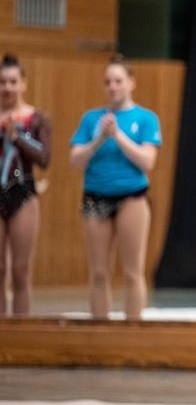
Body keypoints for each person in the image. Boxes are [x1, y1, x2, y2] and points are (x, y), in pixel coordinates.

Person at [69, 55, 161, 320]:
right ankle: (100, 331)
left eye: (118, 81)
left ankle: (132, 332)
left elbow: (147, 161)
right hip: (96, 197)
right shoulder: (91, 119)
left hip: (132, 197)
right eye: (108, 82)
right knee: (99, 273)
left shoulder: (145, 118)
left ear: (131, 82)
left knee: (133, 272)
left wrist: (118, 135)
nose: (113, 87)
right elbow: (75, 161)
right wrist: (99, 138)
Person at [0, 54, 51, 316]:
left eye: (12, 81)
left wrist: (17, 137)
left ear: (23, 84)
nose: (7, 87)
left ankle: (20, 330)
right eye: (2, 82)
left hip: (23, 193)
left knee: (20, 270)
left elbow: (44, 159)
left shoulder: (36, 118)